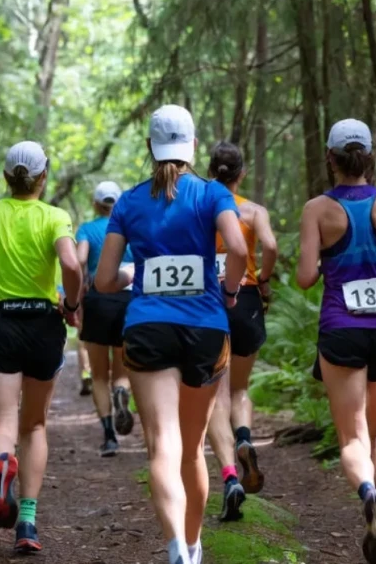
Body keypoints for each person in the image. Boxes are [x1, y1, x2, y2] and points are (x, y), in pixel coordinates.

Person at [95, 105, 248, 564]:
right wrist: (230, 289)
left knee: (163, 444)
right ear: (193, 146)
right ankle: (195, 546)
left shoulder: (128, 201)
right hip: (205, 327)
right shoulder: (213, 193)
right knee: (193, 450)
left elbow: (102, 281)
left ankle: (176, 548)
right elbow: (237, 248)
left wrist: (129, 276)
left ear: (149, 147)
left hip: (148, 327)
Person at [295, 119, 376, 564]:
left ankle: (367, 493)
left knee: (352, 438)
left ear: (330, 158)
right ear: (371, 157)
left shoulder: (318, 209)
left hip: (341, 329)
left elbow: (306, 277)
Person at [0, 141, 85, 555]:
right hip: (43, 325)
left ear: (7, 177)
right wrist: (72, 305)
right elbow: (72, 265)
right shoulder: (55, 216)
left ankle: (4, 461)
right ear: (43, 178)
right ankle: (27, 521)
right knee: (36, 426)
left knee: (0, 429)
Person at [203, 141, 278, 522]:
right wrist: (263, 279)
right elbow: (270, 244)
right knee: (241, 389)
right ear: (242, 174)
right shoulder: (252, 210)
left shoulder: (204, 206)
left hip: (210, 299)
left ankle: (230, 473)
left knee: (218, 393)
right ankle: (245, 438)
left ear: (210, 170)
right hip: (246, 299)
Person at [76, 180, 137, 456]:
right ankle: (122, 393)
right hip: (128, 300)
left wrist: (76, 298)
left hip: (98, 302)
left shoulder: (87, 229)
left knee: (99, 375)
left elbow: (79, 260)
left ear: (95, 204)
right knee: (122, 371)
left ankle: (110, 436)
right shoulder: (129, 227)